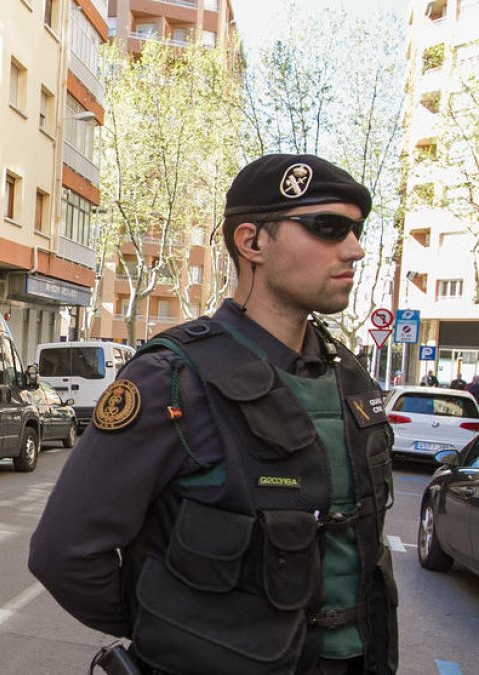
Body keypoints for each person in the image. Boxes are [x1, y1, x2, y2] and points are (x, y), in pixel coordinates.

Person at [29, 154, 398, 675]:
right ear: (252, 243)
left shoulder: (349, 375)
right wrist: (177, 630)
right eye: (329, 228)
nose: (354, 250)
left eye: (356, 230)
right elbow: (64, 553)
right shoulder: (172, 379)